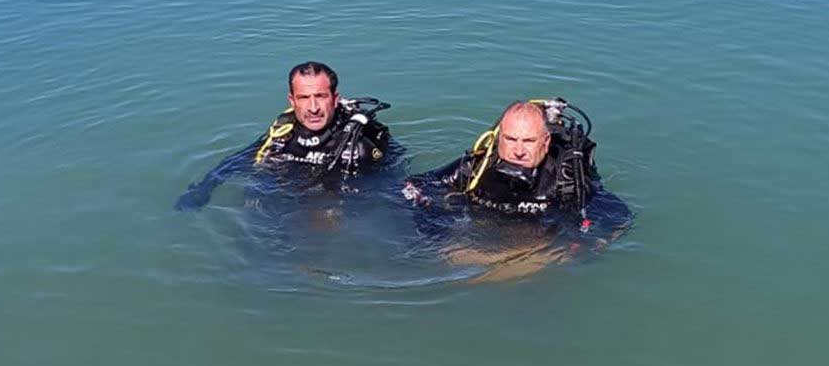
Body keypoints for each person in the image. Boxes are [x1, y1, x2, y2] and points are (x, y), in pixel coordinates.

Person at [402, 99, 632, 281]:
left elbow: (619, 218)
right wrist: (436, 230)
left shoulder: (565, 179)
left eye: (529, 141)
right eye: (511, 139)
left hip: (535, 252)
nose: (518, 151)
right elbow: (414, 186)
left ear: (546, 141)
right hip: (484, 238)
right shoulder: (478, 168)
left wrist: (572, 249)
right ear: (499, 138)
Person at [174, 61, 396, 211]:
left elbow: (387, 189)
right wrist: (203, 189)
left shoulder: (360, 143)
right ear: (292, 101)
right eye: (304, 97)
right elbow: (239, 161)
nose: (313, 107)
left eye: (320, 96)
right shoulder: (283, 131)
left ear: (335, 98)